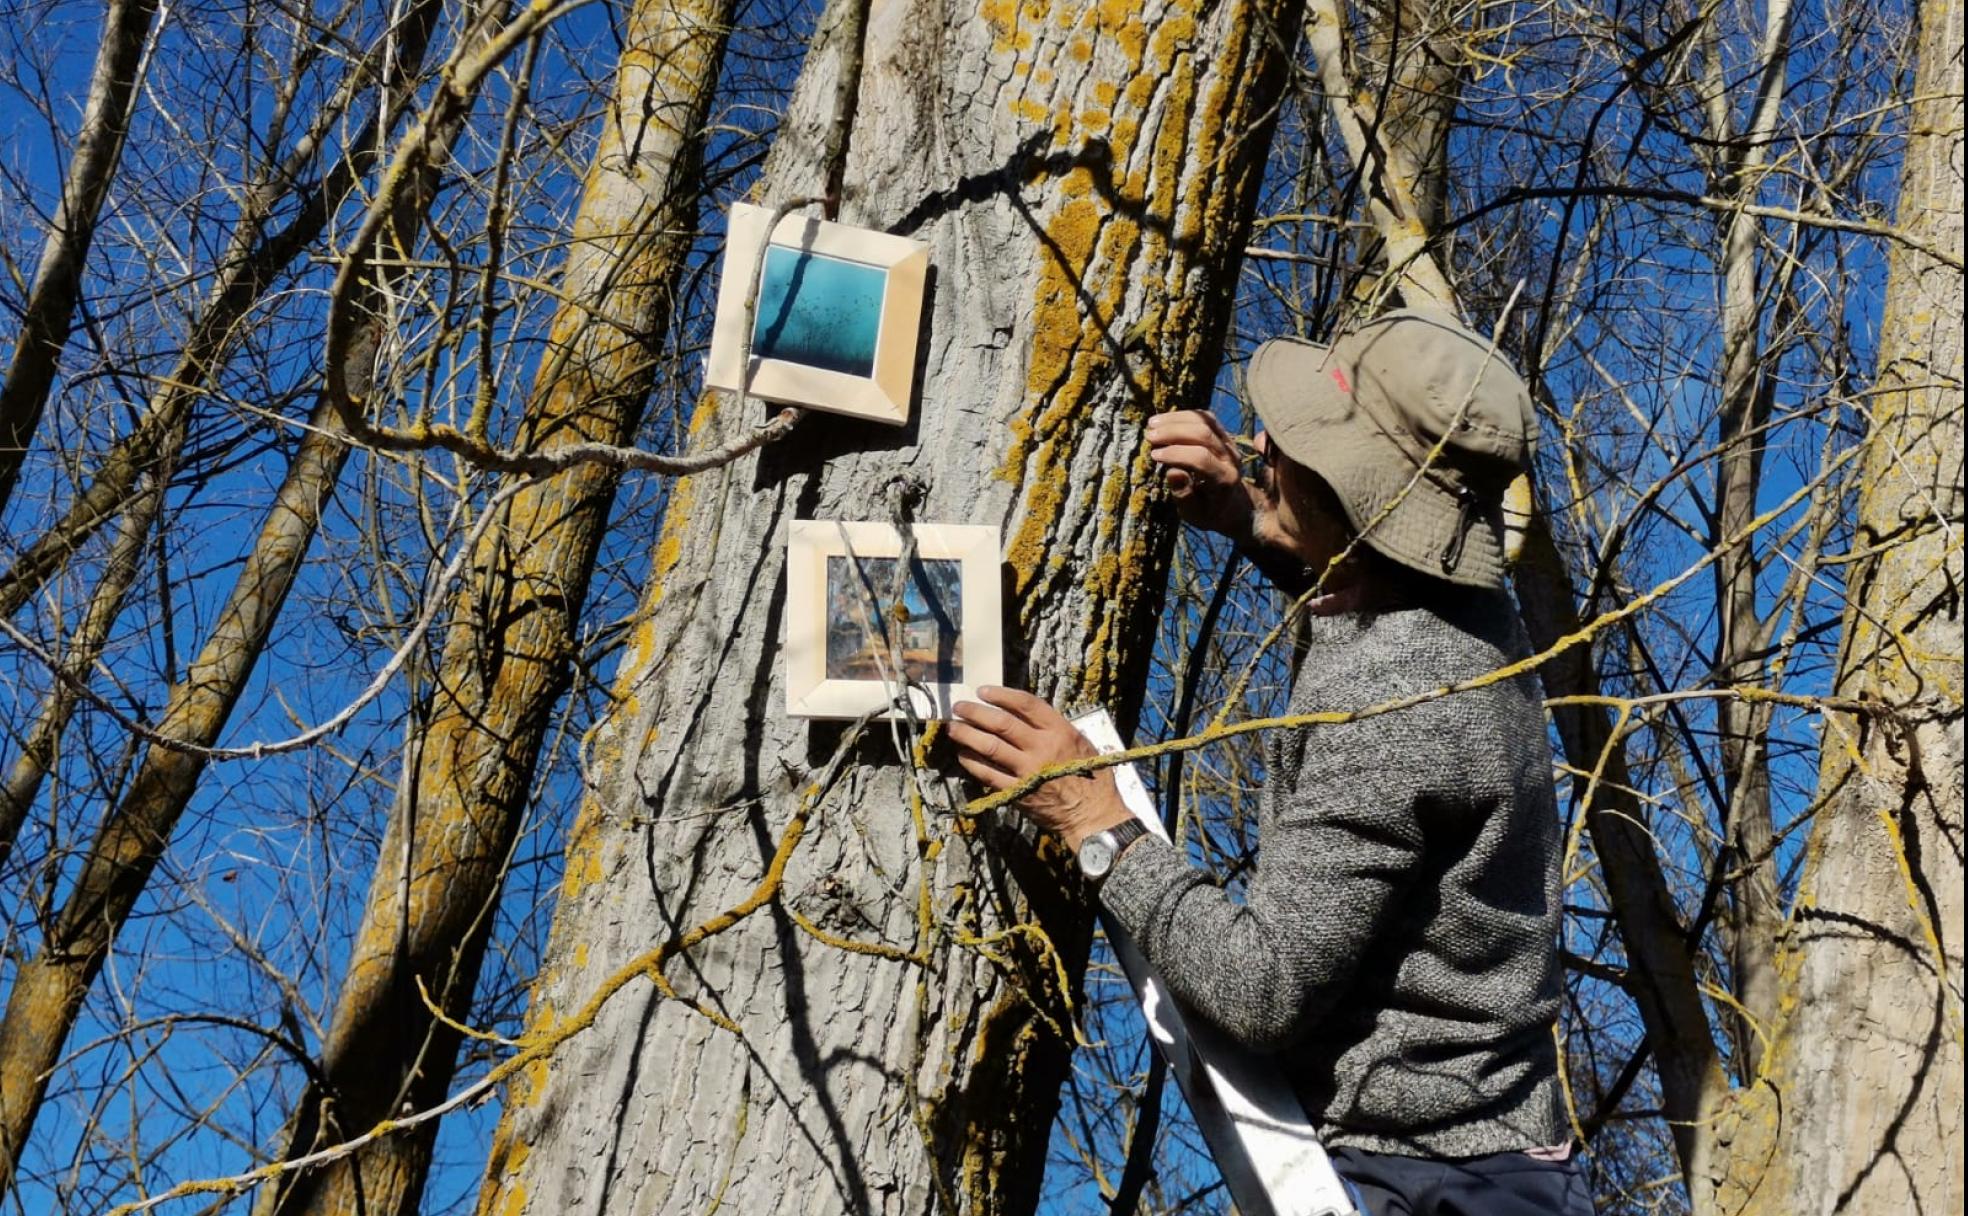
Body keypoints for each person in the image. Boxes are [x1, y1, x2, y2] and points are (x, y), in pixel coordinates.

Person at [949, 309, 1593, 1216]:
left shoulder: (1394, 704)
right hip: (1483, 1156)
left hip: (1424, 1184)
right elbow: (1379, 590)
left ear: (1352, 495)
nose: (1259, 445)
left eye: (1291, 448)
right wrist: (1257, 512)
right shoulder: (1463, 613)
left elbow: (1264, 990)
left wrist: (1098, 826)